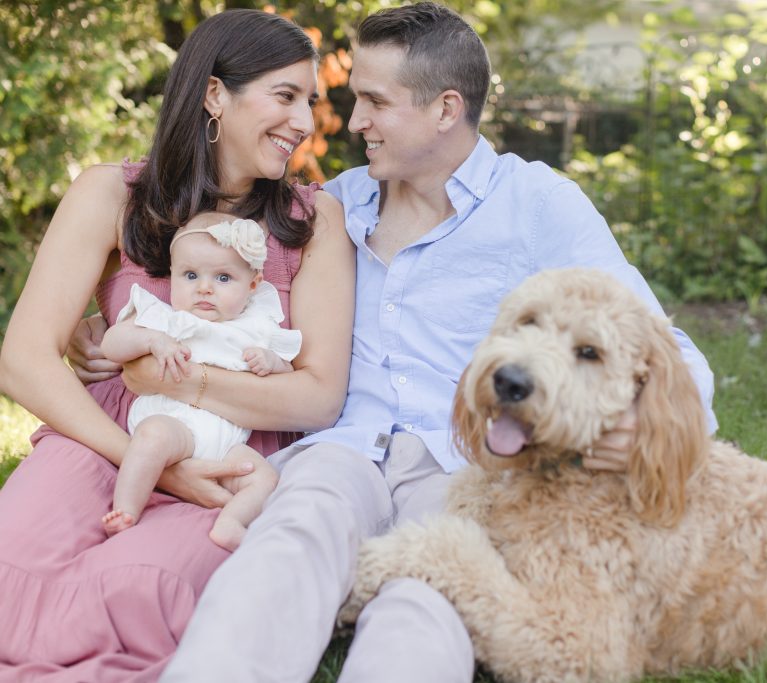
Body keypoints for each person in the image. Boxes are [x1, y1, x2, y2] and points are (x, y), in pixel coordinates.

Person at [158, 4, 718, 683]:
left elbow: (663, 345)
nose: (353, 120)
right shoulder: (333, 206)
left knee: (429, 594)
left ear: (446, 108)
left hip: (466, 465)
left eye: (374, 101)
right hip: (343, 447)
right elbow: (219, 274)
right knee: (289, 537)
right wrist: (114, 319)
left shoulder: (537, 205)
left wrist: (635, 425)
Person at [0, 9, 353, 681]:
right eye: (285, 96)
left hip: (226, 458)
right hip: (100, 436)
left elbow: (318, 393)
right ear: (215, 94)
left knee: (138, 595)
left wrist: (180, 389)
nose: (306, 122)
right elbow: (23, 359)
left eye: (309, 101)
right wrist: (146, 458)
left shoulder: (314, 222)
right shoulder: (112, 193)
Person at [101, 213, 302, 551]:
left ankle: (231, 522)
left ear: (253, 285)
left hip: (225, 435)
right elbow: (111, 346)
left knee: (264, 478)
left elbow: (290, 381)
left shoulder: (256, 328)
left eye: (223, 278)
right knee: (152, 439)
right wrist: (152, 341)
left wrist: (273, 363)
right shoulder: (167, 319)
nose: (204, 288)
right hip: (173, 420)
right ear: (172, 276)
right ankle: (125, 510)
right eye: (190, 275)